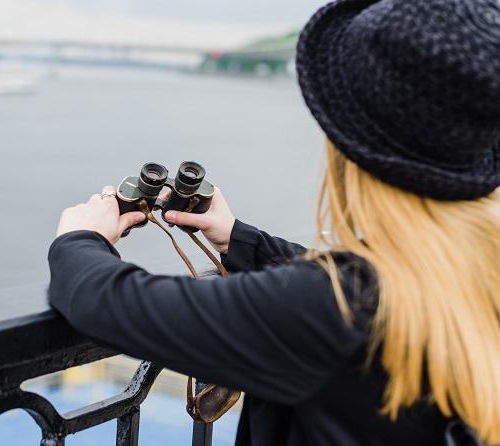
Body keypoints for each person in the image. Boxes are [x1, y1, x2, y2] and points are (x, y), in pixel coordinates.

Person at [47, 0, 500, 444]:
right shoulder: (477, 267)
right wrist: (240, 240)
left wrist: (79, 238)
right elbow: (344, 287)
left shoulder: (334, 310)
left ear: (348, 153)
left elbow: (111, 303)